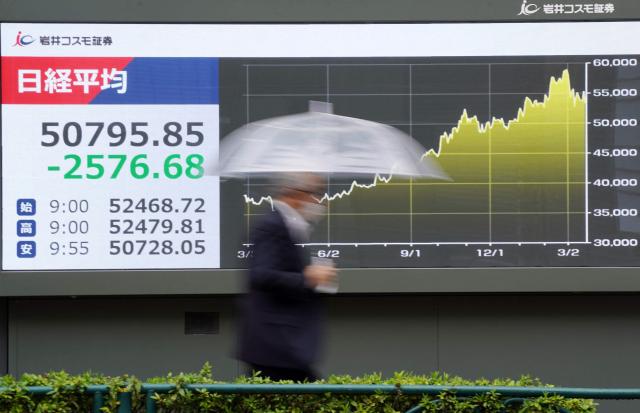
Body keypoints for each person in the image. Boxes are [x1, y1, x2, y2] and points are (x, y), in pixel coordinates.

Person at [237, 173, 337, 382]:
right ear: (296, 194)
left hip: (281, 345)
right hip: (275, 345)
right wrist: (308, 278)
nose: (320, 201)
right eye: (316, 193)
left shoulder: (288, 225)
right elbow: (261, 275)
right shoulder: (272, 225)